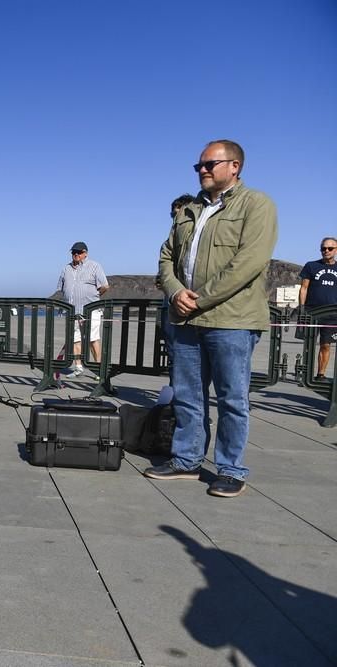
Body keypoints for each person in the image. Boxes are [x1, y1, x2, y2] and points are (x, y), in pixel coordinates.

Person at [145, 139, 278, 498]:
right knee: (188, 394)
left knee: (232, 397)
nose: (202, 170)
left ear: (234, 166)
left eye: (210, 164)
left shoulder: (257, 205)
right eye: (198, 166)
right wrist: (175, 292)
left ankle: (231, 469)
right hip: (185, 320)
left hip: (231, 320)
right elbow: (166, 258)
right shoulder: (188, 210)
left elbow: (248, 264)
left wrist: (198, 299)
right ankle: (186, 459)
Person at [56, 241, 108, 376]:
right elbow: (61, 288)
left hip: (91, 310)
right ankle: (78, 367)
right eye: (73, 252)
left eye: (78, 252)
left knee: (93, 339)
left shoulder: (94, 266)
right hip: (73, 311)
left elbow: (105, 286)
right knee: (75, 338)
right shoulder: (66, 269)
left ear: (85, 253)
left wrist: (94, 298)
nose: (75, 255)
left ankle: (98, 369)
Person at [160, 194, 197, 369]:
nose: (176, 219)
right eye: (173, 215)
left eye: (179, 214)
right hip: (171, 304)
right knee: (174, 353)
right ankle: (175, 388)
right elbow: (165, 265)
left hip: (194, 305)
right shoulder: (169, 242)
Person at [299, 237, 337, 381]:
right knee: (308, 344)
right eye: (323, 248)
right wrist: (302, 308)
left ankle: (320, 374)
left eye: (330, 248)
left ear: (336, 250)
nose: (326, 251)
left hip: (332, 314)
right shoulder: (311, 266)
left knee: (326, 345)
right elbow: (304, 288)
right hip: (312, 312)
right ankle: (305, 374)